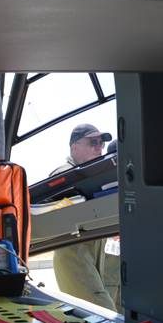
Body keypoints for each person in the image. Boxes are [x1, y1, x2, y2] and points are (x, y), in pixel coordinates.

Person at [51, 123, 121, 311]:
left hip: (96, 251)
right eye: (93, 142)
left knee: (111, 314)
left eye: (101, 143)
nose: (99, 148)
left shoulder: (94, 177)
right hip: (74, 253)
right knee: (103, 313)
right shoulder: (64, 175)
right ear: (75, 147)